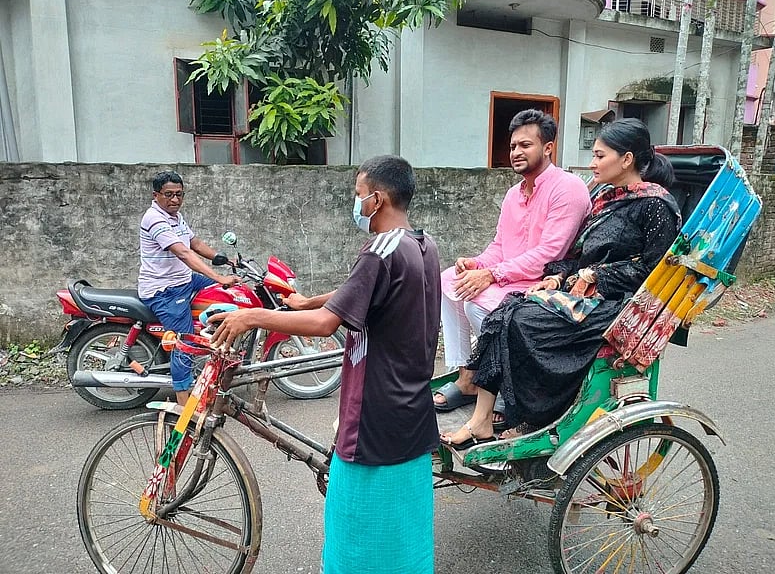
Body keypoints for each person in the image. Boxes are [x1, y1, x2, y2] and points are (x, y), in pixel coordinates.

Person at [209, 155, 442, 574]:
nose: (356, 205)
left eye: (358, 196)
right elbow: (357, 292)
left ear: (378, 198)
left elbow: (325, 324)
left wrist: (251, 316)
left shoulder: (379, 249)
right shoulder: (422, 244)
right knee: (404, 530)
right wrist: (307, 300)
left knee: (356, 531)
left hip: (374, 409)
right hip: (411, 408)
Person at [440, 118, 681, 448]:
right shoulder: (604, 201)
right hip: (583, 295)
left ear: (626, 159)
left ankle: (532, 414)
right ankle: (481, 419)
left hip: (619, 305)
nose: (593, 163)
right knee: (508, 310)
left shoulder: (656, 206)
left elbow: (655, 272)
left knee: (519, 320)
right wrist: (557, 276)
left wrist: (596, 275)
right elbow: (578, 255)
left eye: (599, 156)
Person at [434, 109, 592, 428]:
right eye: (513, 146)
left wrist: (491, 274)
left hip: (546, 284)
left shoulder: (568, 188)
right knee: (449, 280)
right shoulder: (513, 194)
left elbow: (551, 252)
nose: (516, 152)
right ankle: (468, 377)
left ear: (548, 147)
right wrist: (476, 264)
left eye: (525, 145)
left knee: (476, 303)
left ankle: (506, 383)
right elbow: (501, 246)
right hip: (512, 278)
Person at [137, 170, 239, 406]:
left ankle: (217, 351)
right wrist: (217, 276)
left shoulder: (175, 216)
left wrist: (223, 260)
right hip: (165, 290)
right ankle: (184, 402)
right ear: (156, 195)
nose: (174, 200)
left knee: (232, 293)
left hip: (185, 280)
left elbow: (194, 243)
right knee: (186, 343)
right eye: (169, 195)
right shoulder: (154, 218)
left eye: (179, 195)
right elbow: (182, 252)